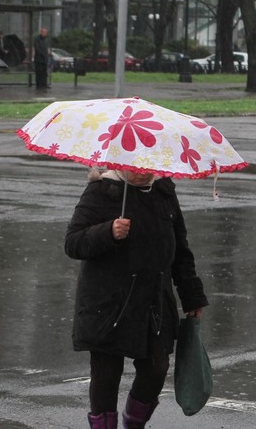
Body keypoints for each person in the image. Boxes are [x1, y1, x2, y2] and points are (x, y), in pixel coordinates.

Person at [64, 168, 208, 428]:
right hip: (107, 305)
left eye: (147, 166)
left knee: (157, 367)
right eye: (135, 167)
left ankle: (134, 423)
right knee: (106, 377)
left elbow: (181, 249)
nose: (142, 172)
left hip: (152, 302)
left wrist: (192, 296)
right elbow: (73, 242)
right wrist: (108, 232)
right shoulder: (101, 191)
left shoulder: (163, 191)